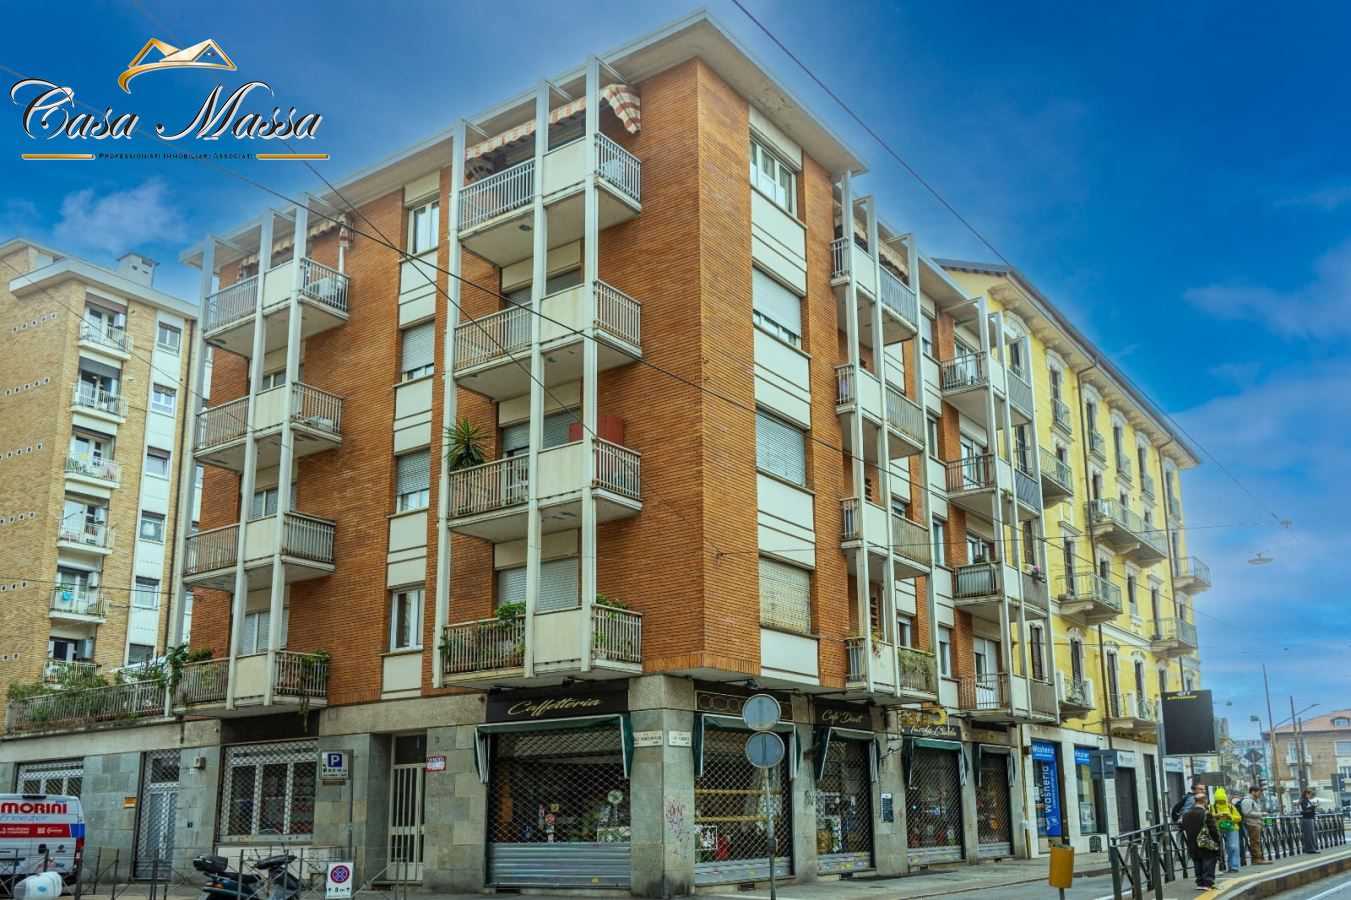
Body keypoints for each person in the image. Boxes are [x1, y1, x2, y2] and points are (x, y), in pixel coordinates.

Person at [1181, 797, 1223, 889]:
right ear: (1205, 801)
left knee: (1197, 861)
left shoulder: (1186, 815)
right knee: (1209, 860)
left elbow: (1183, 827)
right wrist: (1217, 841)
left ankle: (1200, 882)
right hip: (1206, 842)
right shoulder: (1206, 813)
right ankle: (1208, 882)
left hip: (1192, 843)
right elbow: (1213, 829)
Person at [1237, 785, 1271, 864]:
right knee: (1255, 841)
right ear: (1253, 792)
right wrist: (1261, 814)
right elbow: (1246, 813)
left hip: (1256, 823)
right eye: (1259, 792)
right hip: (1251, 823)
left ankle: (1259, 858)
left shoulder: (1254, 800)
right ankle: (1256, 859)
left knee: (1257, 841)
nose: (1260, 794)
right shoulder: (1247, 800)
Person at [1213, 787, 1242, 872]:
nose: (1220, 802)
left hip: (1231, 827)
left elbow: (1239, 817)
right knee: (1216, 848)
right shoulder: (1212, 807)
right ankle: (1220, 866)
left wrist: (1230, 817)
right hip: (1217, 827)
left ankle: (1234, 866)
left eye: (1222, 800)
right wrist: (1217, 816)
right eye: (1218, 800)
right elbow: (1209, 817)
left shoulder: (1230, 807)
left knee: (1233, 846)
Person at [1300, 788, 1320, 853]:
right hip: (1307, 818)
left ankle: (1311, 848)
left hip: (1309, 818)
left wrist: (1313, 807)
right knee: (1309, 835)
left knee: (1310, 835)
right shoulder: (1304, 801)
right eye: (1309, 794)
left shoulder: (1306, 800)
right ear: (1306, 794)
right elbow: (1305, 810)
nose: (1310, 795)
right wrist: (1313, 807)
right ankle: (1310, 849)